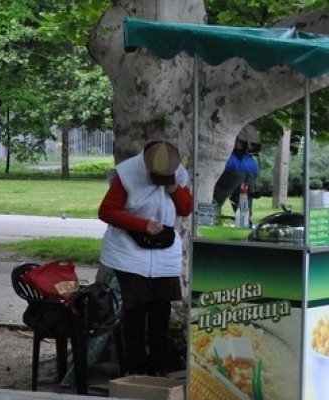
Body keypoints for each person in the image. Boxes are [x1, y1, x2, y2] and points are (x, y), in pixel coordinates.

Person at [98, 141, 193, 377]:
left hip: (163, 250)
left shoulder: (177, 173)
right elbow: (107, 211)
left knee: (161, 310)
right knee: (136, 311)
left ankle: (158, 368)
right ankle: (135, 368)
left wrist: (173, 188)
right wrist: (142, 224)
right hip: (129, 250)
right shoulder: (128, 173)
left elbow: (185, 209)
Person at [212, 126, 260, 212]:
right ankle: (246, 224)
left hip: (234, 168)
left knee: (216, 199)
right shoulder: (249, 129)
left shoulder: (233, 128)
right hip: (251, 169)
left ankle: (209, 219)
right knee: (244, 208)